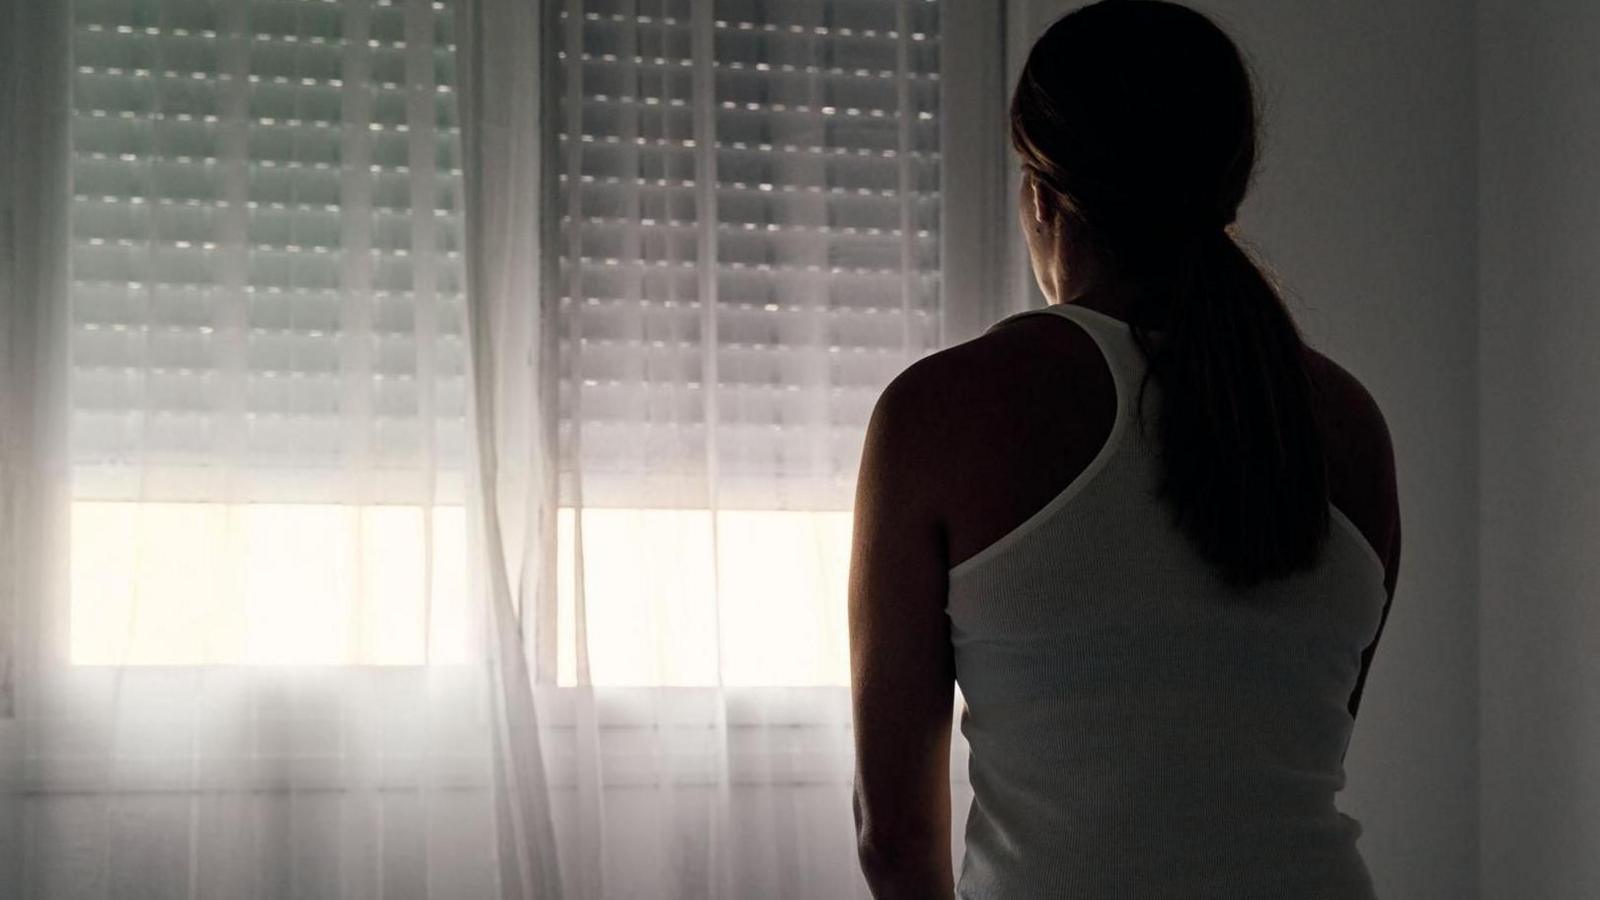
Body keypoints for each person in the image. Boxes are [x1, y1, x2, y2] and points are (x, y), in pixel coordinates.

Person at [846, 1, 1402, 897]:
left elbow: (894, 837)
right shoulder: (1347, 422)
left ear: (1039, 193)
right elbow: (1282, 749)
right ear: (1230, 185)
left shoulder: (940, 413)